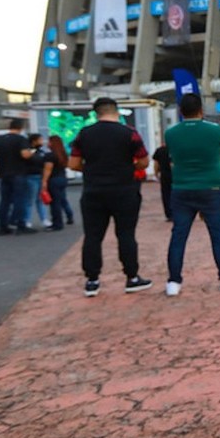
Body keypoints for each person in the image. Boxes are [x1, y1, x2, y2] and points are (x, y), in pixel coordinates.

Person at [69, 97, 153, 297]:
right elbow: (143, 161)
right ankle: (132, 278)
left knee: (92, 236)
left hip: (93, 192)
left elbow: (73, 164)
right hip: (124, 190)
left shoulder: (84, 134)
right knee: (126, 234)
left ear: (96, 113)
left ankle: (92, 281)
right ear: (116, 111)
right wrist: (127, 168)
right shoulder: (129, 133)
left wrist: (92, 170)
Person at [163, 93, 220, 296]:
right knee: (218, 235)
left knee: (178, 235)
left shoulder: (171, 133)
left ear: (181, 111)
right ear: (201, 110)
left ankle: (173, 282)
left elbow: (172, 157)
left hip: (182, 188)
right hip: (211, 189)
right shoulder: (215, 130)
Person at [0, 118, 36, 235]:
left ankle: (3, 226)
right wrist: (31, 153)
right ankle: (20, 225)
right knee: (20, 200)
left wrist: (1, 158)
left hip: (3, 173)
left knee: (5, 201)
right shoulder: (21, 140)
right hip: (18, 173)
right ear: (21, 127)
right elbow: (25, 155)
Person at [42, 135, 75, 231]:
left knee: (54, 203)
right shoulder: (63, 154)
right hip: (62, 178)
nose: (47, 144)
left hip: (53, 180)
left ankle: (57, 223)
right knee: (62, 199)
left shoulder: (50, 155)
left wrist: (44, 181)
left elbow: (48, 169)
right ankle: (69, 216)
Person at [24, 133, 49, 229]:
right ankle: (27, 220)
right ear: (34, 141)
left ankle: (44, 219)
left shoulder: (41, 151)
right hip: (30, 176)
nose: (42, 142)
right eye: (40, 140)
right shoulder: (28, 152)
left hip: (40, 176)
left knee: (40, 199)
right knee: (30, 200)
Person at [152, 143, 173, 221]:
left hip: (164, 175)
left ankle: (169, 214)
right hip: (176, 175)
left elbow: (156, 163)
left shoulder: (160, 150)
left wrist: (156, 173)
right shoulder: (177, 149)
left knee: (166, 194)